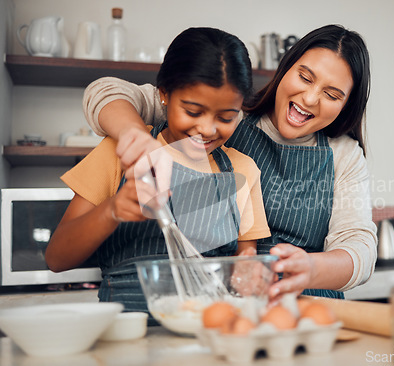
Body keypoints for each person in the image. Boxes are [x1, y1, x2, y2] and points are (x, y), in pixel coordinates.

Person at [81, 24, 378, 300]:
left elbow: (360, 248)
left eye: (331, 94)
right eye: (305, 77)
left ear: (346, 104)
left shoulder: (344, 154)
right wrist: (135, 137)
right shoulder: (225, 116)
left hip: (307, 306)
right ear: (285, 69)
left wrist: (310, 269)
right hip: (228, 306)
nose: (311, 98)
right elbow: (106, 91)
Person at [45, 27, 271, 318]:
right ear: (164, 94)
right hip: (129, 331)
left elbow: (245, 258)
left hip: (206, 335)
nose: (207, 129)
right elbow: (57, 258)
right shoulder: (121, 152)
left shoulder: (243, 170)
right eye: (192, 111)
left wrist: (248, 268)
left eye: (226, 117)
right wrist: (111, 210)